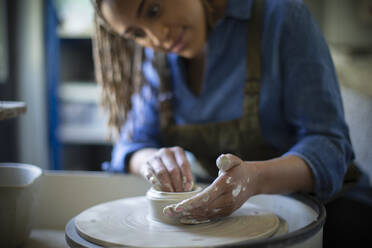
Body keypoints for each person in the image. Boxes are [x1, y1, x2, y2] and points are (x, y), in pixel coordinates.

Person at [90, 0, 371, 245]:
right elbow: (131, 146)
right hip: (235, 220)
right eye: (137, 34)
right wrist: (153, 161)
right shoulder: (159, 59)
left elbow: (330, 146)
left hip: (332, 208)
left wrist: (254, 179)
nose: (157, 37)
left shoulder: (283, 16)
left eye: (153, 10)